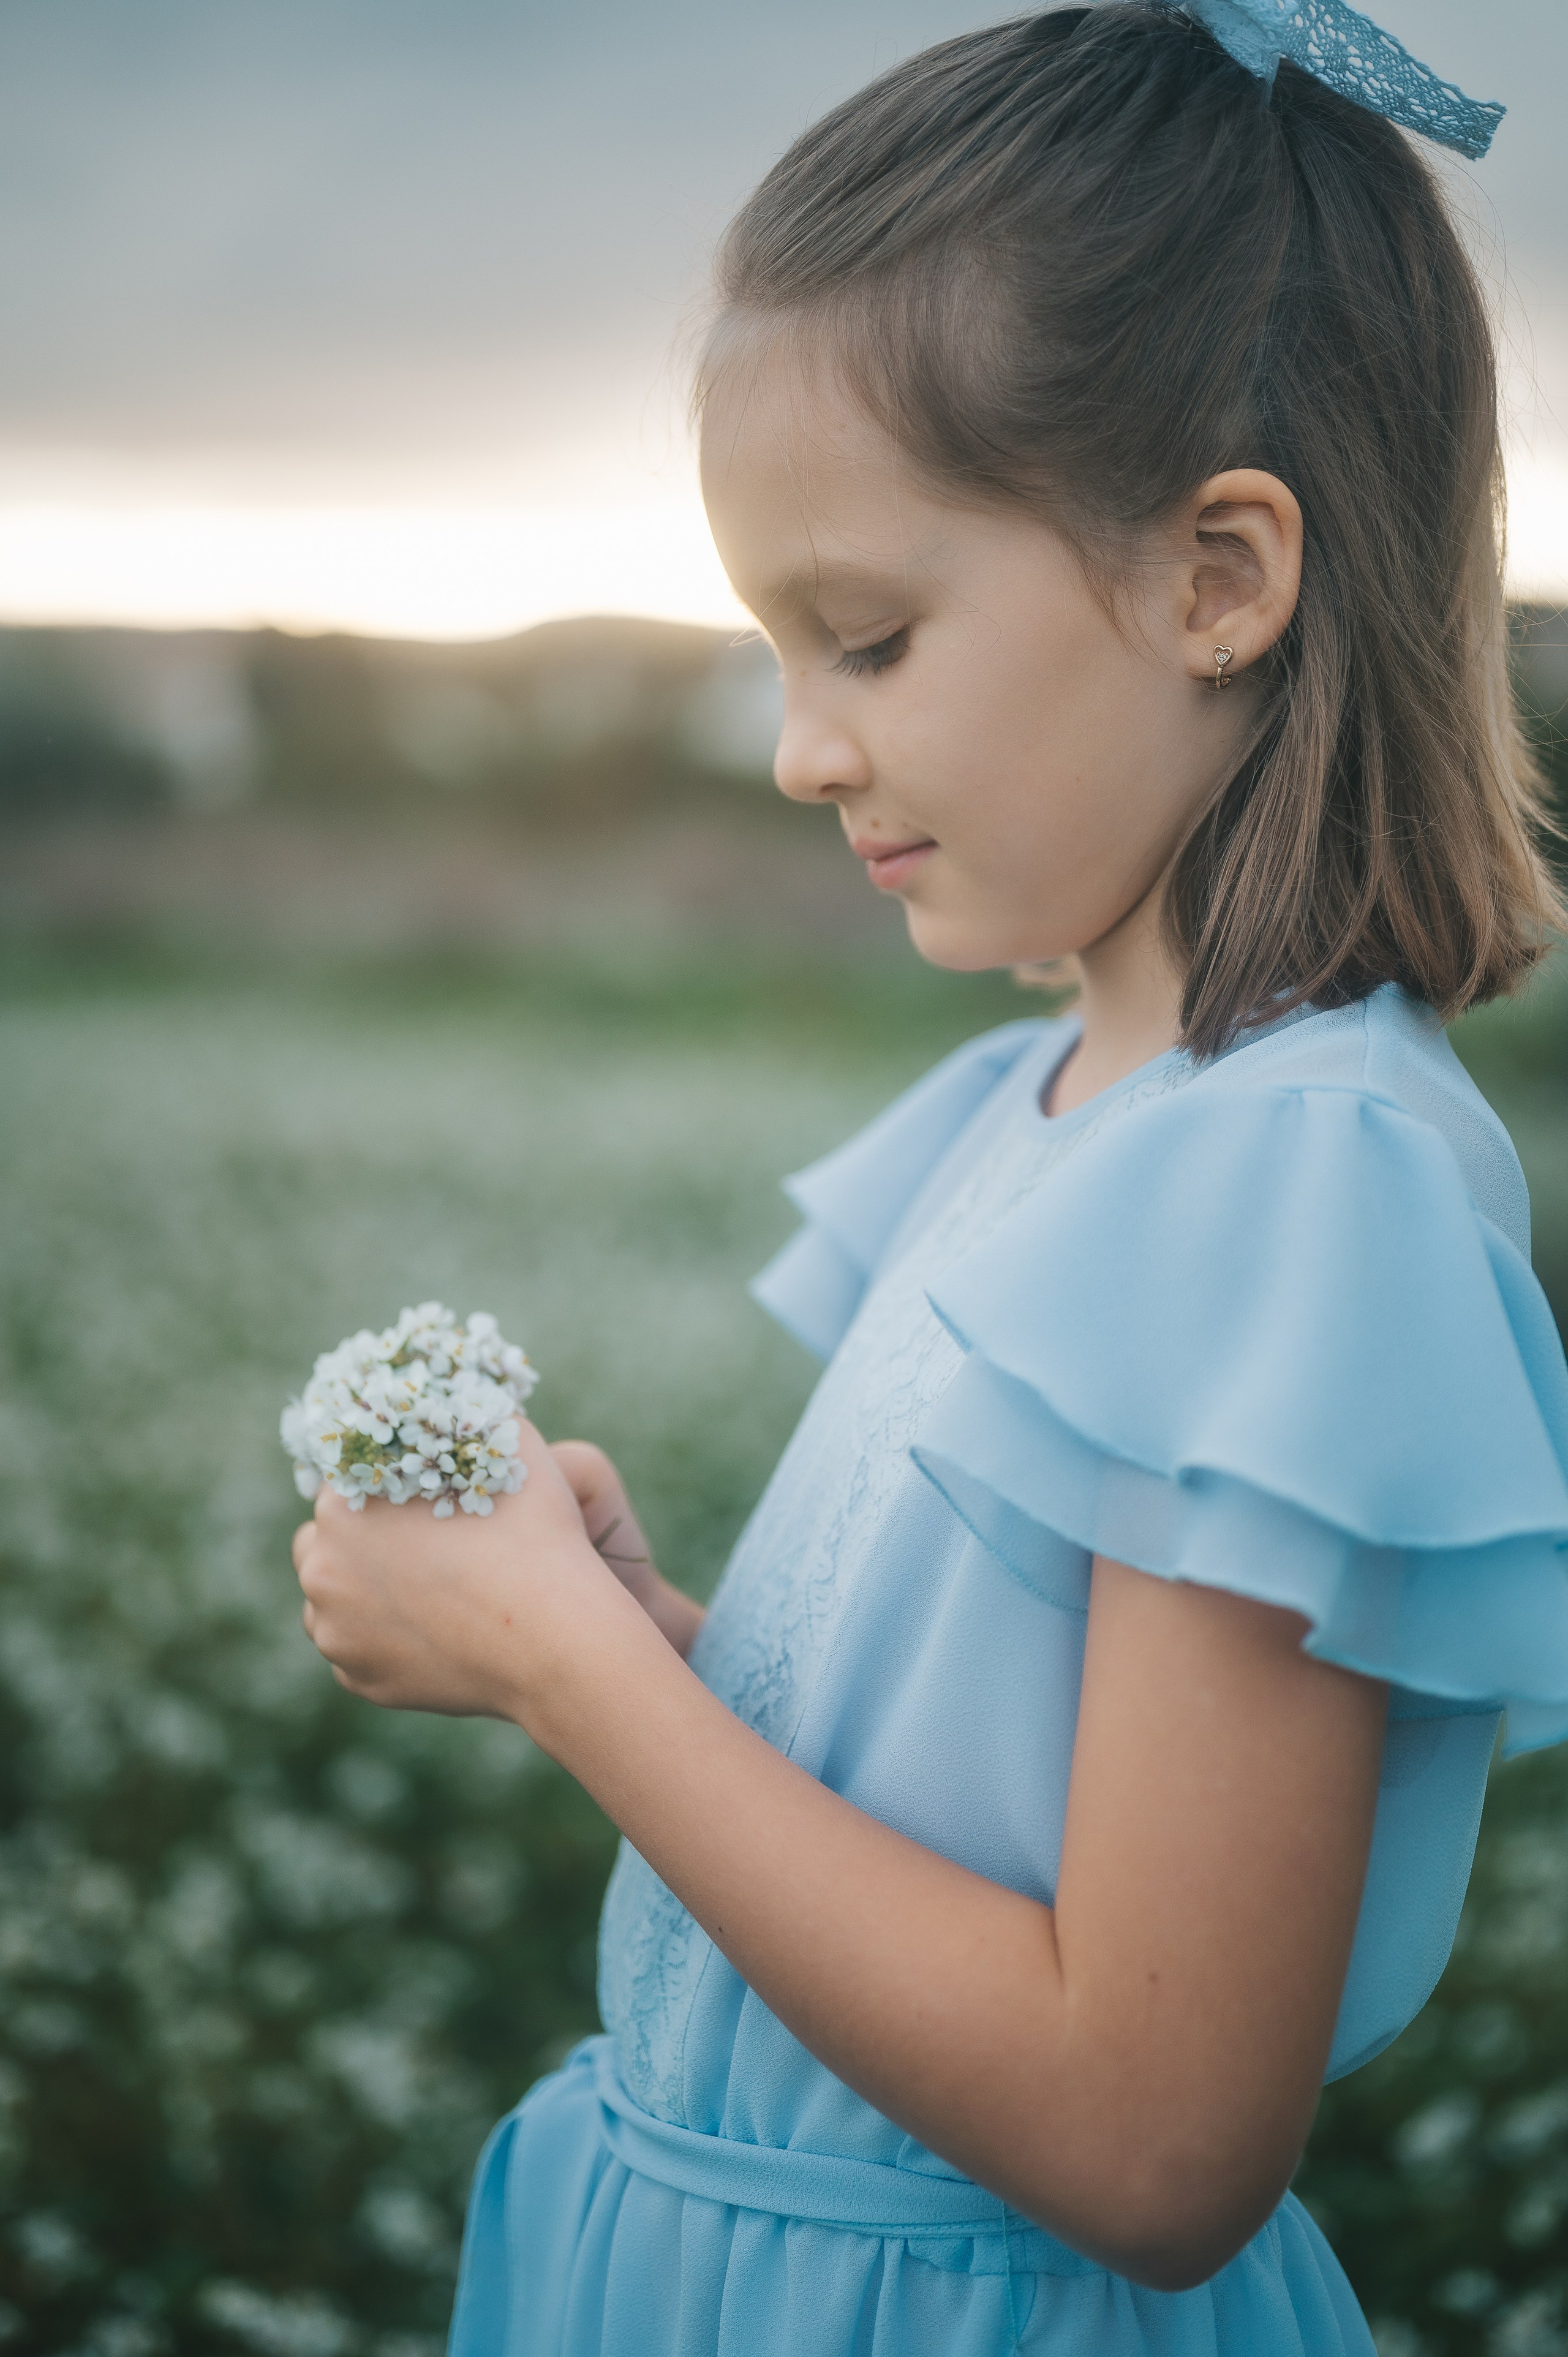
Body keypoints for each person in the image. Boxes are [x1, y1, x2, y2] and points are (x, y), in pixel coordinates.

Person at [291, 6, 1568, 2350]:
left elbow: (1154, 2133)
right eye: (776, 648)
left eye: (866, 636)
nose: (800, 748)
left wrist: (586, 1689)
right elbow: (998, 1816)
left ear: (1218, 580)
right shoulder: (1066, 1104)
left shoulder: (1304, 1199)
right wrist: (672, 1653)